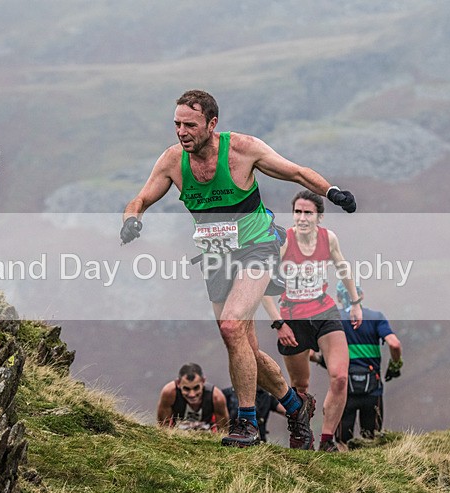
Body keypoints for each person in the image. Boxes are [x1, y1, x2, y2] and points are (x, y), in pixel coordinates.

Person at [120, 89, 357, 448]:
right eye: (177, 125)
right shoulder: (172, 161)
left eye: (190, 125)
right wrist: (131, 221)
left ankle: (245, 423)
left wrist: (333, 191)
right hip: (216, 258)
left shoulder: (243, 150)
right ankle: (296, 407)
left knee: (232, 325)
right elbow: (140, 198)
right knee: (241, 344)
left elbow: (296, 173)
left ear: (212, 124)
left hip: (257, 248)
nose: (182, 132)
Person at [262, 190, 362, 452]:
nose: (302, 217)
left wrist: (355, 303)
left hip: (324, 311)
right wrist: (278, 324)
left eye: (308, 213)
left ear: (319, 217)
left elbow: (343, 267)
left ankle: (327, 441)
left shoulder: (328, 238)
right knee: (300, 388)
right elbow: (261, 285)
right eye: (297, 212)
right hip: (292, 318)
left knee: (340, 377)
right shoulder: (284, 242)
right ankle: (302, 439)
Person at [321, 281, 403, 443]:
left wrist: (324, 361)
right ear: (361, 295)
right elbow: (394, 344)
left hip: (344, 389)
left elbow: (310, 353)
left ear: (338, 298)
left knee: (342, 442)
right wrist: (395, 365)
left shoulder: (333, 319)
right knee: (373, 440)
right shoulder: (376, 318)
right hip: (373, 388)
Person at [157, 363, 230, 433]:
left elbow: (223, 431)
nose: (192, 394)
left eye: (196, 388)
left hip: (207, 435)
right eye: (186, 389)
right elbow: (163, 428)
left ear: (203, 381)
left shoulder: (216, 397)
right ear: (178, 383)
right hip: (177, 434)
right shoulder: (169, 393)